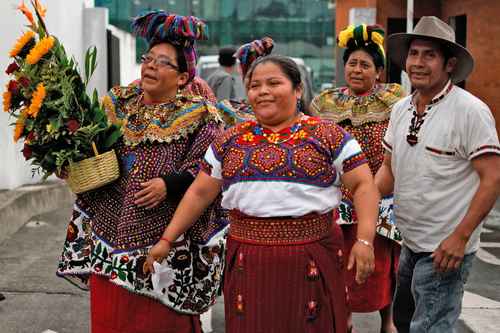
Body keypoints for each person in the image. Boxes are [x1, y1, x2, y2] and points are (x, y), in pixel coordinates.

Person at [145, 54, 380, 333]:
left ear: (298, 89)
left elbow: (364, 185)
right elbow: (199, 193)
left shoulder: (329, 135)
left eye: (273, 83)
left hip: (312, 258)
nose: (263, 91)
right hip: (248, 261)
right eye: (255, 85)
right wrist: (167, 239)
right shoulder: (229, 141)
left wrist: (365, 240)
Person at [56, 11, 227, 333]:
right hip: (108, 228)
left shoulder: (200, 115)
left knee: (158, 322)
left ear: (182, 77)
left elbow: (210, 168)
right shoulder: (117, 103)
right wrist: (67, 159)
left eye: (163, 62)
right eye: (148, 58)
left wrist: (169, 183)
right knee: (111, 317)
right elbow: (90, 147)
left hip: (165, 236)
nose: (150, 65)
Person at [376, 16, 500, 333]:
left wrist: (460, 238)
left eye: (429, 55)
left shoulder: (470, 111)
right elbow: (388, 170)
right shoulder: (401, 109)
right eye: (414, 53)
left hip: (446, 250)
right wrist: (358, 200)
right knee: (404, 321)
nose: (418, 62)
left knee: (429, 327)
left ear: (449, 64)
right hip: (409, 241)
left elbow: (492, 178)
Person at [311, 24, 404, 333]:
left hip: (382, 195)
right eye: (352, 63)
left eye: (366, 64)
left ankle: (387, 321)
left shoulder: (393, 99)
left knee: (383, 263)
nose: (357, 69)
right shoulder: (326, 102)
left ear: (378, 71)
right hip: (338, 198)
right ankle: (344, 318)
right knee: (339, 264)